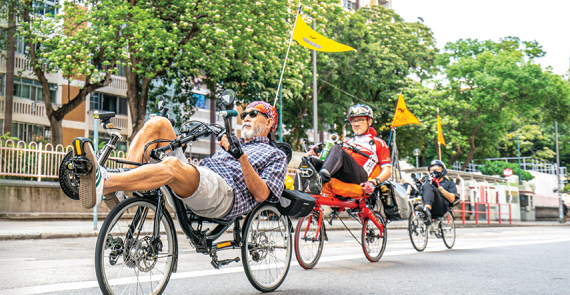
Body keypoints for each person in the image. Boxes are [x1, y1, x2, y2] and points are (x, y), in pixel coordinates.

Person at [63, 101, 286, 222]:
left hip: (225, 194)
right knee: (158, 123)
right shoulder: (233, 140)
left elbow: (262, 194)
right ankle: (122, 191)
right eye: (244, 113)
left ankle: (106, 182)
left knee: (171, 166)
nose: (246, 117)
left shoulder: (276, 155)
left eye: (254, 114)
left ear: (268, 125)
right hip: (199, 177)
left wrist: (241, 157)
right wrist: (177, 144)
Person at [305, 104, 392, 198]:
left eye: (361, 120)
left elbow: (387, 171)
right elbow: (334, 160)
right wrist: (317, 154)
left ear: (369, 121)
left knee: (337, 148)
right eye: (353, 121)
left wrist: (374, 182)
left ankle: (321, 179)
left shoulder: (378, 143)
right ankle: (298, 192)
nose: (356, 124)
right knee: (309, 161)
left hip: (360, 176)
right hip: (342, 173)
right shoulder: (347, 142)